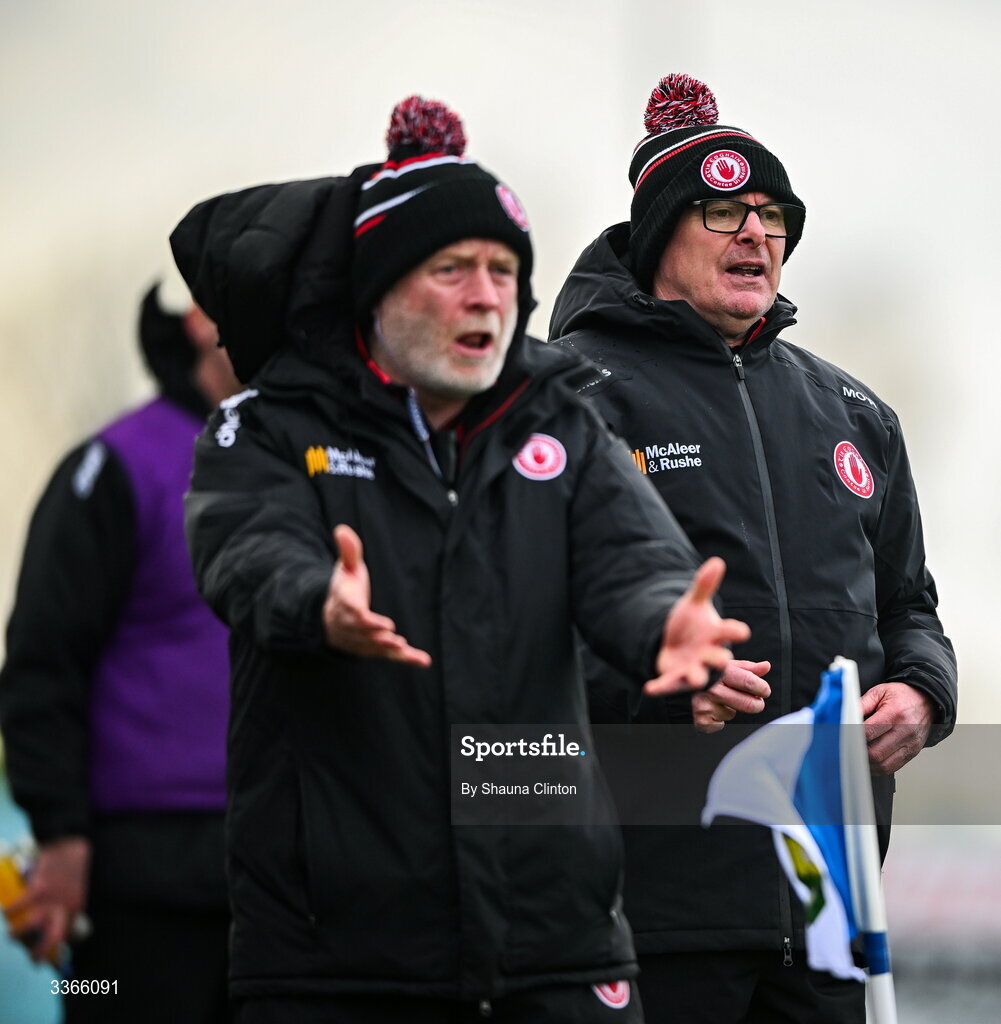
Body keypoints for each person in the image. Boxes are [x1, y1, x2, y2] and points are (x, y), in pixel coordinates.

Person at [170, 94, 751, 1024]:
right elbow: (244, 550)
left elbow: (629, 561)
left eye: (501, 269)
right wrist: (317, 600)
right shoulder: (267, 428)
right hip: (336, 956)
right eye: (450, 269)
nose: (486, 293)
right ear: (378, 290)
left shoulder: (558, 421)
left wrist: (666, 625)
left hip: (555, 944)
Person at [548, 73, 958, 1023]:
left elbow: (909, 607)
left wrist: (924, 691)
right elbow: (505, 625)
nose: (756, 236)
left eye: (773, 217)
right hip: (644, 899)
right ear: (657, 237)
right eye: (721, 211)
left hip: (829, 899)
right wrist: (656, 684)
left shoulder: (853, 413)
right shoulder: (564, 398)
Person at [0, 283, 238, 1023]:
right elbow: (42, 662)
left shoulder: (321, 463)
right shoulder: (115, 466)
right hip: (138, 893)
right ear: (200, 319)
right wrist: (62, 837)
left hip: (293, 887)